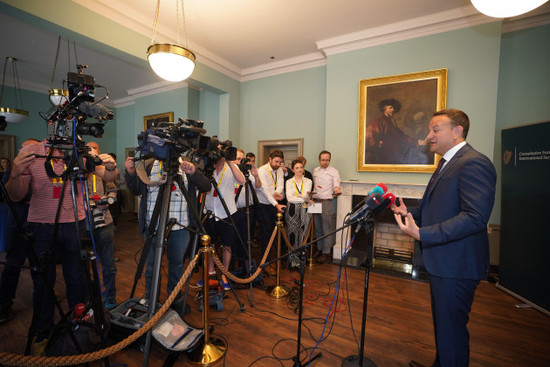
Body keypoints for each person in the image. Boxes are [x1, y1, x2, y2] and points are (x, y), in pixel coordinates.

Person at [391, 109, 496, 367]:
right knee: (444, 328)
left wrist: (423, 233)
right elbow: (437, 208)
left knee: (452, 332)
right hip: (445, 263)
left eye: (435, 129)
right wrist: (409, 212)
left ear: (457, 130)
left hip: (457, 265)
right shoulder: (447, 163)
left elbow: (474, 217)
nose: (428, 136)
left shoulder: (474, 162)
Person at [5, 139, 117, 352]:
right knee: (44, 282)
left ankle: (80, 329)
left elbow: (108, 176)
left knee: (77, 280)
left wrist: (111, 165)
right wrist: (15, 173)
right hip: (41, 226)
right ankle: (43, 333)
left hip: (76, 223)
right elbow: (16, 195)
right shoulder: (33, 151)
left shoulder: (80, 152)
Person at [125, 154, 210, 307]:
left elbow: (206, 186)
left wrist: (193, 173)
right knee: (151, 265)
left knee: (177, 266)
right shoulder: (149, 164)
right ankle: (151, 299)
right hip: (154, 225)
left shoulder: (187, 164)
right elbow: (136, 190)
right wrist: (131, 173)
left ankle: (174, 299)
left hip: (180, 226)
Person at [0, 139, 40, 324]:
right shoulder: (12, 170)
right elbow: (6, 194)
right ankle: (4, 304)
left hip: (38, 218)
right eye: (24, 148)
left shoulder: (43, 170)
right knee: (13, 263)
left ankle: (42, 300)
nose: (27, 151)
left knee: (39, 262)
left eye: (32, 148)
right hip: (17, 217)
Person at [203, 154, 245, 290]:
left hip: (226, 212)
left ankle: (225, 274)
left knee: (227, 245)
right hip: (209, 212)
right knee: (210, 244)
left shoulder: (231, 167)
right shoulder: (208, 167)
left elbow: (242, 181)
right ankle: (211, 273)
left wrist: (230, 162)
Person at [86, 142, 118, 310]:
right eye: (89, 148)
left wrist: (108, 201)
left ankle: (110, 298)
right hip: (83, 224)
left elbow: (113, 189)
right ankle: (87, 301)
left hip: (105, 221)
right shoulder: (80, 169)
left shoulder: (103, 170)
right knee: (84, 265)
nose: (93, 151)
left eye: (96, 148)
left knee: (108, 265)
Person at [365, 98, 418, 164]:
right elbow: (370, 138)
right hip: (382, 154)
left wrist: (415, 141)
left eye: (393, 108)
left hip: (392, 152)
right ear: (384, 108)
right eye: (390, 108)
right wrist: (379, 144)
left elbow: (400, 135)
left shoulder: (391, 122)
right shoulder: (378, 121)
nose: (393, 110)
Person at [312, 150, 341, 264]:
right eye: (323, 160)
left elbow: (337, 185)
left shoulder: (334, 171)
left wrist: (337, 190)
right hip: (315, 201)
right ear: (319, 160)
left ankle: (326, 252)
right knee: (317, 228)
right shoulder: (315, 170)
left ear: (330, 160)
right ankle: (319, 249)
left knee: (326, 228)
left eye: (327, 160)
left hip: (326, 202)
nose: (325, 162)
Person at [257, 149, 286, 261]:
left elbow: (280, 184)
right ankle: (265, 260)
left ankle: (272, 257)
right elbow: (264, 190)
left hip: (274, 203)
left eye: (280, 162)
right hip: (263, 204)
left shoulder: (279, 170)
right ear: (269, 159)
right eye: (276, 162)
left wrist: (277, 193)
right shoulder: (262, 170)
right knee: (266, 232)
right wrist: (276, 203)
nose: (278, 165)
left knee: (274, 231)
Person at [285, 159, 313, 270]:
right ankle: (292, 260)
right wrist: (303, 198)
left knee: (303, 235)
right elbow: (289, 198)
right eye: (297, 168)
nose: (300, 169)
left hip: (305, 210)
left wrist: (303, 198)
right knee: (291, 235)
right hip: (292, 210)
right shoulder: (289, 182)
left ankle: (300, 261)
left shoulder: (308, 181)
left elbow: (307, 197)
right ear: (293, 170)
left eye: (301, 167)